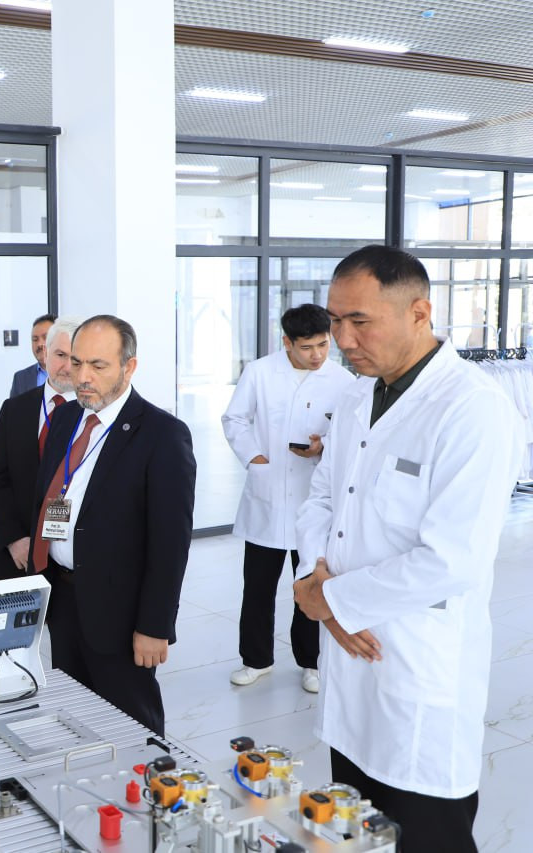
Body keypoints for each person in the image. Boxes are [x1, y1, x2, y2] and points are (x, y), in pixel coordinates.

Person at [293, 245, 521, 852]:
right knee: (355, 827)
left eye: (359, 321)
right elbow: (321, 497)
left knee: (424, 833)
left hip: (415, 668)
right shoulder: (356, 395)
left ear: (420, 312)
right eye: (335, 320)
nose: (342, 340)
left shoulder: (473, 409)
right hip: (349, 659)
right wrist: (314, 581)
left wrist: (332, 602)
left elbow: (453, 559)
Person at [28, 315, 195, 736]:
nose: (82, 376)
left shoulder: (162, 435)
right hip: (64, 599)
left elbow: (170, 544)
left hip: (121, 614)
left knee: (132, 725)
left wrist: (155, 626)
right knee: (75, 716)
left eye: (98, 365)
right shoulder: (66, 419)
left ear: (129, 367)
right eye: (77, 362)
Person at [222, 303, 353, 693]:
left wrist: (322, 446)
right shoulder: (260, 372)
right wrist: (254, 457)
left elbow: (349, 433)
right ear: (287, 343)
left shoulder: (343, 380)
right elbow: (234, 419)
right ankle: (256, 660)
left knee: (310, 583)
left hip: (314, 501)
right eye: (307, 347)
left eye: (323, 345)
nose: (317, 355)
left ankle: (311, 663)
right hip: (267, 498)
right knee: (257, 588)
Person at [0, 316, 78, 581]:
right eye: (60, 355)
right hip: (17, 554)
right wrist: (14, 538)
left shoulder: (93, 415)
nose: (67, 366)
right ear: (45, 354)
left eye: (75, 358)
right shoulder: (14, 409)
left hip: (71, 561)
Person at [9, 313, 56, 398]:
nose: (39, 344)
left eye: (45, 337)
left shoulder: (73, 374)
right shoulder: (20, 378)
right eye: (35, 339)